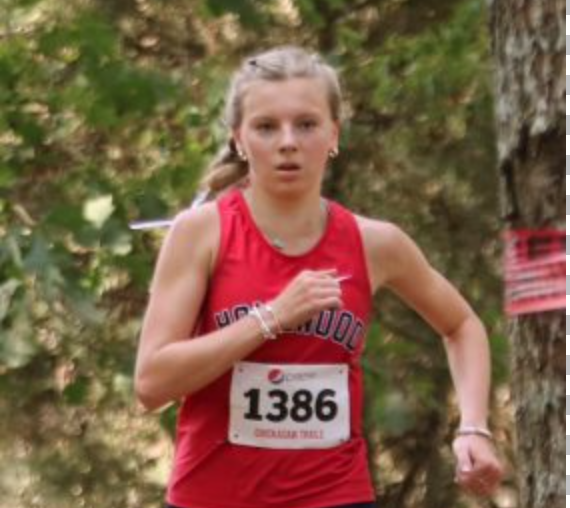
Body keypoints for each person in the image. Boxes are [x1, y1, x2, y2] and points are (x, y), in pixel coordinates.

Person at [134, 46, 504, 508]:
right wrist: (271, 318)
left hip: (335, 497)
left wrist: (473, 426)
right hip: (212, 498)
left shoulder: (375, 243)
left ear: (334, 134)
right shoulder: (203, 233)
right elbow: (151, 384)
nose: (287, 142)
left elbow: (462, 325)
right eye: (266, 127)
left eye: (306, 124)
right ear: (239, 140)